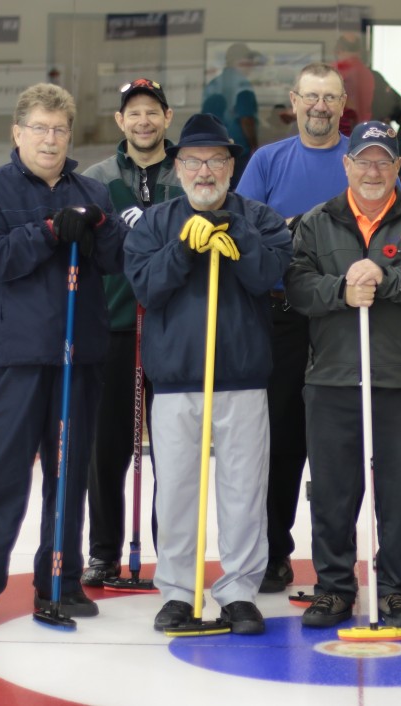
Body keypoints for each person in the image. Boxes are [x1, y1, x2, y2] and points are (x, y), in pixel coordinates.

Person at [0, 83, 127, 630]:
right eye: (40, 129)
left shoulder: (91, 190)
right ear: (18, 133)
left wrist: (96, 231)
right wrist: (50, 230)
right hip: (18, 358)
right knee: (0, 474)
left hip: (80, 358)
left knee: (70, 475)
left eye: (60, 130)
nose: (51, 140)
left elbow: (119, 258)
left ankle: (60, 581)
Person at [123, 113, 292, 634]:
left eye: (215, 160)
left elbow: (270, 276)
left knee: (243, 492)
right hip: (177, 382)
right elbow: (145, 289)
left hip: (242, 380)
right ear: (178, 167)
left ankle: (239, 592)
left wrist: (234, 235)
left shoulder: (261, 218)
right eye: (194, 161)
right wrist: (182, 248)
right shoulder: (155, 223)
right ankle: (178, 591)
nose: (204, 171)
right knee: (175, 492)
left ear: (231, 166)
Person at [284, 120, 401, 629]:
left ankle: (395, 590)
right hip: (333, 380)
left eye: (384, 161)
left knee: (399, 494)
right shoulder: (316, 222)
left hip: (400, 381)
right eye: (364, 160)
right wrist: (341, 291)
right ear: (347, 164)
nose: (373, 170)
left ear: (398, 167)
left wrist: (390, 277)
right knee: (333, 493)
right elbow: (297, 288)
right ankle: (335, 588)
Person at [236, 62, 351, 594]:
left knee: (337, 447)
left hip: (343, 321)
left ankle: (337, 563)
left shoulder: (361, 160)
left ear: (343, 102)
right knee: (280, 442)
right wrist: (297, 231)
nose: (320, 106)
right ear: (294, 100)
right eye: (312, 96)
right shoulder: (267, 161)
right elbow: (242, 232)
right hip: (280, 319)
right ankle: (274, 553)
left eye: (329, 97)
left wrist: (292, 230)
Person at [78, 78, 184, 587]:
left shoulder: (190, 173)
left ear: (167, 117)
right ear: (120, 121)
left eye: (152, 112)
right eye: (133, 113)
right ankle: (103, 552)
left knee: (174, 451)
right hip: (115, 329)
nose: (143, 121)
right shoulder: (96, 179)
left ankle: (174, 554)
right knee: (108, 449)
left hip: (172, 329)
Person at [203, 42, 261, 186]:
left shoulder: (213, 84)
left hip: (213, 150)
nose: (251, 65)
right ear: (239, 61)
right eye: (249, 61)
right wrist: (255, 147)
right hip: (239, 152)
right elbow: (246, 119)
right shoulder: (242, 85)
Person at [333, 33, 374, 135]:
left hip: (339, 134)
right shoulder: (368, 73)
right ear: (360, 51)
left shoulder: (334, 71)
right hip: (364, 133)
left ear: (338, 49)